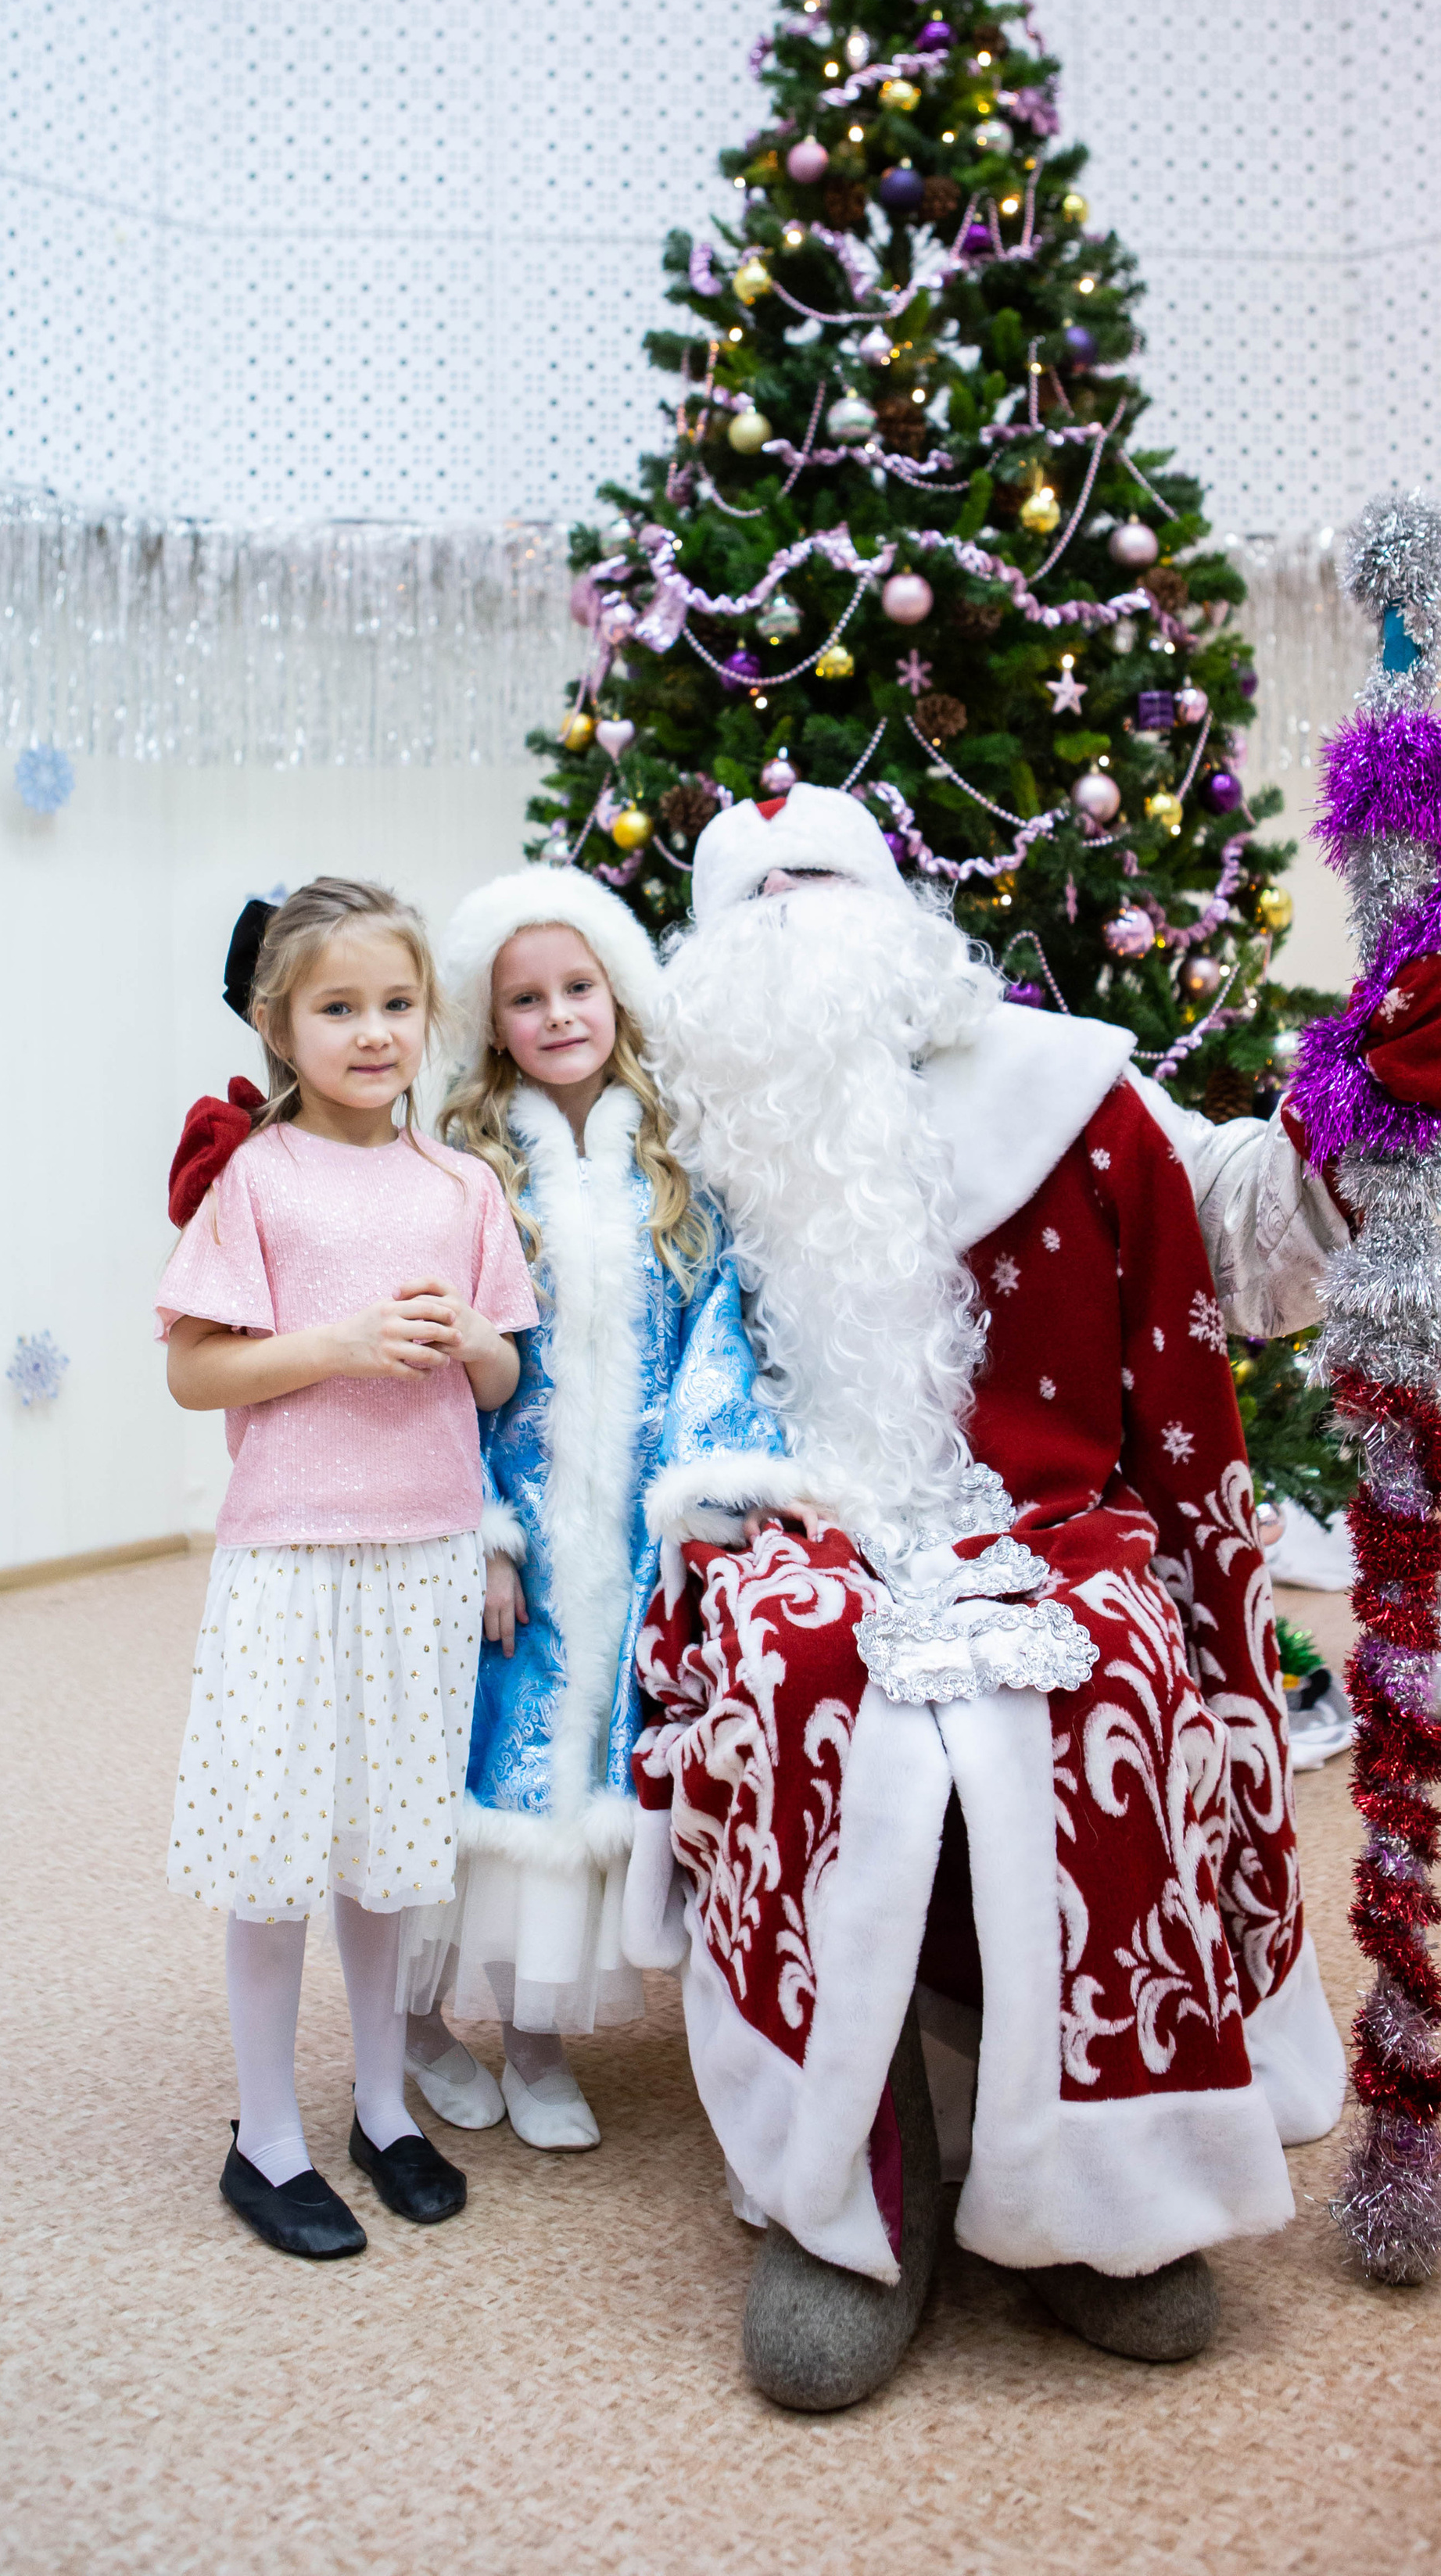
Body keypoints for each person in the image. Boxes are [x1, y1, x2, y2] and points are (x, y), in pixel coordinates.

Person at [620, 783, 1441, 2408]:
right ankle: (855, 2181)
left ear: (896, 915)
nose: (792, 925)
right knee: (792, 1671)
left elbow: (1237, 1245)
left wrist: (1355, 1118)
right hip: (789, 1517)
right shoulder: (687, 1126)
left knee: (1098, 1675)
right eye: (754, 904)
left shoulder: (1057, 1081)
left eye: (820, 887)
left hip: (1059, 1514)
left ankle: (1105, 2200)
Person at [394, 865, 806, 2149]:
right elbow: (430, 1366)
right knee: (468, 1766)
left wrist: (702, 1497)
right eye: (528, 998)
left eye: (580, 987)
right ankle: (410, 2021)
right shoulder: (462, 1171)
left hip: (624, 1541)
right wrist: (482, 1531)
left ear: (619, 996)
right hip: (499, 1530)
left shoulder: (675, 1170)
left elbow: (717, 1341)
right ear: (492, 1019)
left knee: (574, 1786)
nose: (559, 1014)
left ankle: (531, 2038)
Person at [159, 876, 537, 2259]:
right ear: (280, 1021)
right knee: (276, 1855)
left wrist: (465, 1342)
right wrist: (334, 1344)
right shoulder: (258, 1179)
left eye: (394, 1005)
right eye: (338, 1007)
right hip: (290, 1555)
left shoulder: (462, 1185)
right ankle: (266, 2139)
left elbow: (502, 1371)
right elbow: (195, 1373)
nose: (372, 1033)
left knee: (386, 1857)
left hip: (425, 1552)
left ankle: (383, 2105)